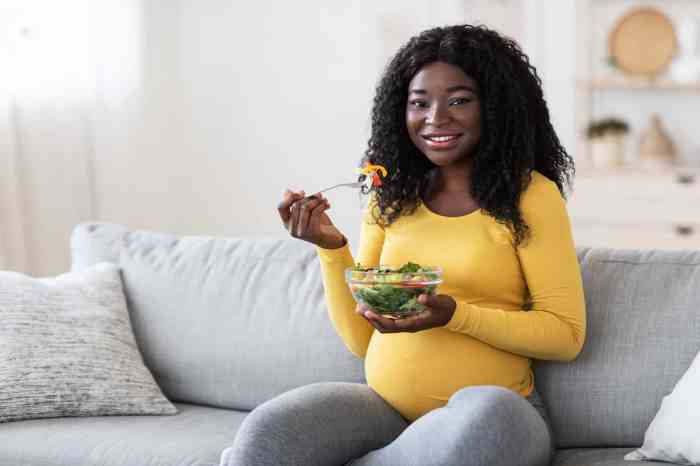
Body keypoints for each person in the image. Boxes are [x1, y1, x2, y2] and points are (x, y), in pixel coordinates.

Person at [225, 23, 586, 466]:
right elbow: (362, 340)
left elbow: (566, 335)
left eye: (459, 100)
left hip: (493, 416)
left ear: (496, 107)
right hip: (386, 410)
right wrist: (331, 246)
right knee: (268, 433)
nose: (435, 117)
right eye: (420, 103)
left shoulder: (531, 196)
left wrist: (454, 315)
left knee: (483, 423)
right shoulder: (391, 196)